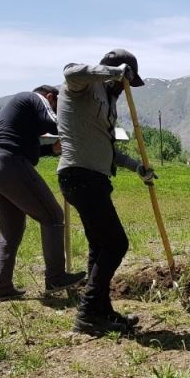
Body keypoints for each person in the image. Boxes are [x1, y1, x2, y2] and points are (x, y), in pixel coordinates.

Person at [56, 49, 156, 335]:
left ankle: (101, 311)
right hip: (79, 176)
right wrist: (113, 72)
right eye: (125, 83)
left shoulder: (108, 103)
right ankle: (87, 313)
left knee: (100, 246)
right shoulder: (82, 87)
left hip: (95, 179)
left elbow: (108, 149)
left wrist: (138, 167)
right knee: (116, 244)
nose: (124, 90)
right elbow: (70, 71)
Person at [0, 85, 87, 302]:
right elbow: (55, 122)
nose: (55, 109)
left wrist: (52, 149)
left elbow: (28, 146)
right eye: (56, 105)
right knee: (54, 217)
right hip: (10, 164)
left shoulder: (18, 109)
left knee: (11, 230)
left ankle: (1, 287)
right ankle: (55, 277)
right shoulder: (35, 99)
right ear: (50, 97)